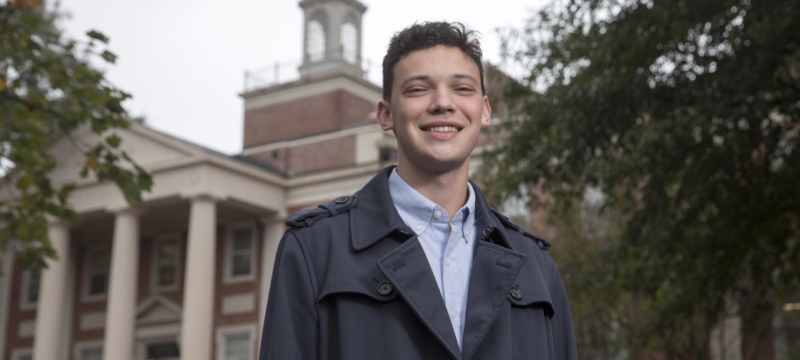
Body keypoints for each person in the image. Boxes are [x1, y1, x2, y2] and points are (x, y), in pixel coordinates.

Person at [259, 21, 578, 360]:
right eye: (417, 89)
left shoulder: (536, 268)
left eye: (462, 89)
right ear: (386, 115)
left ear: (484, 111)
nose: (443, 103)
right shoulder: (313, 251)